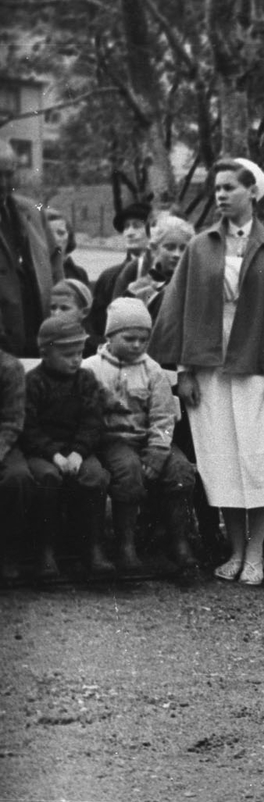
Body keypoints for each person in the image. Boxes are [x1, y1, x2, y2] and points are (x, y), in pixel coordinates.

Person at [148, 157, 264, 586]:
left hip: (258, 369)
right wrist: (184, 372)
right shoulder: (200, 246)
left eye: (229, 187)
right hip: (210, 371)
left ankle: (256, 553)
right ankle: (235, 550)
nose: (220, 194)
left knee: (259, 461)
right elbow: (179, 308)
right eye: (216, 187)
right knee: (222, 462)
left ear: (252, 192)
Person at [83, 298, 197, 571]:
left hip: (150, 440)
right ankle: (126, 544)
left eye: (143, 340)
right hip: (113, 441)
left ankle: (178, 541)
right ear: (110, 336)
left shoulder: (153, 371)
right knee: (129, 471)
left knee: (180, 471)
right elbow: (87, 414)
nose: (136, 345)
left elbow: (163, 416)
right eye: (129, 338)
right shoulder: (92, 368)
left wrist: (158, 452)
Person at [21, 314, 112, 577]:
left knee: (94, 477)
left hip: (77, 450)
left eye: (79, 353)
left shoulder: (85, 379)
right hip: (42, 452)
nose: (75, 359)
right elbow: (28, 428)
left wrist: (78, 452)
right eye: (67, 354)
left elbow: (92, 421)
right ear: (45, 353)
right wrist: (54, 454)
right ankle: (45, 551)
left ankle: (93, 547)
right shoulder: (34, 382)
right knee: (47, 478)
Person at [1, 141, 62, 357]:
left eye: (8, 174)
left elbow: (56, 269)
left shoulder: (32, 212)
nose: (3, 184)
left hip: (39, 343)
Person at [90, 201, 152, 337]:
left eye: (136, 226)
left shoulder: (164, 274)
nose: (129, 233)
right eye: (126, 227)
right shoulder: (109, 276)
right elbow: (96, 325)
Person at [0, 342, 34, 580]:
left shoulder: (9, 368)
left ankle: (8, 551)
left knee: (17, 477)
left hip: (4, 442)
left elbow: (12, 421)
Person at [125, 215, 195, 321]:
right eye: (170, 247)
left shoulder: (196, 288)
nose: (177, 254)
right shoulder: (138, 290)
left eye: (183, 248)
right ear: (154, 249)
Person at [49, 279, 102, 357]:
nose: (56, 313)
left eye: (64, 308)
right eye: (53, 308)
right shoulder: (45, 343)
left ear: (84, 312)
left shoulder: (97, 349)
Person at [45, 209, 89, 285]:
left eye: (61, 233)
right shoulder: (26, 273)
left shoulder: (78, 274)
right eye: (49, 234)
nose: (56, 239)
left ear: (69, 237)